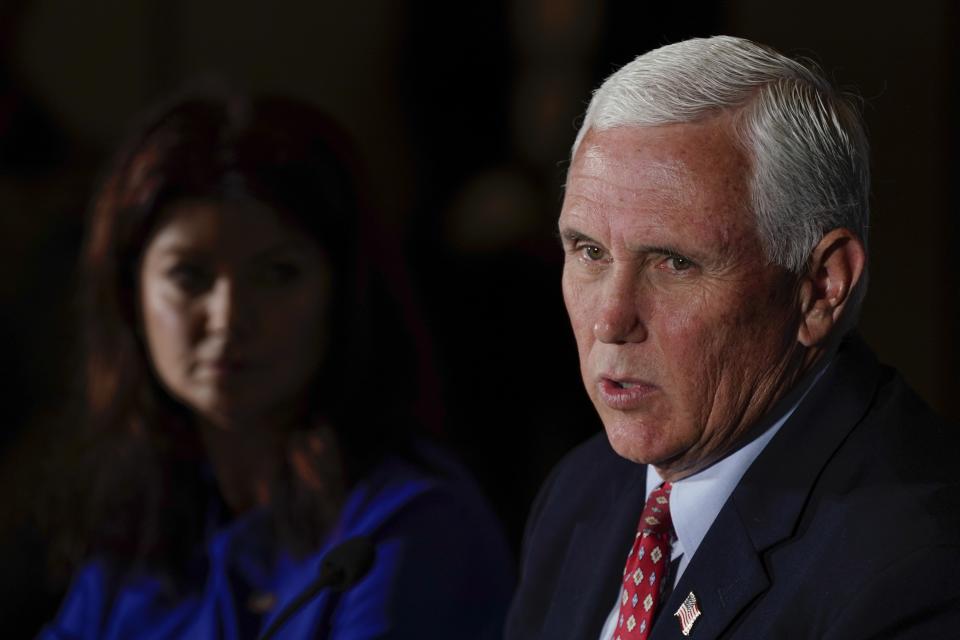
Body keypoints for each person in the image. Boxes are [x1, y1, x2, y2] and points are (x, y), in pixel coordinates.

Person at [506, 35, 960, 639]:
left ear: (822, 286)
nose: (610, 320)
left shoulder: (918, 570)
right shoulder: (581, 493)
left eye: (673, 263)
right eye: (588, 251)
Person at [39, 93, 513, 639]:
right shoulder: (147, 522)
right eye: (189, 276)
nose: (227, 318)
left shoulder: (410, 528)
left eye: (277, 274)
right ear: (130, 296)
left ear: (342, 293)